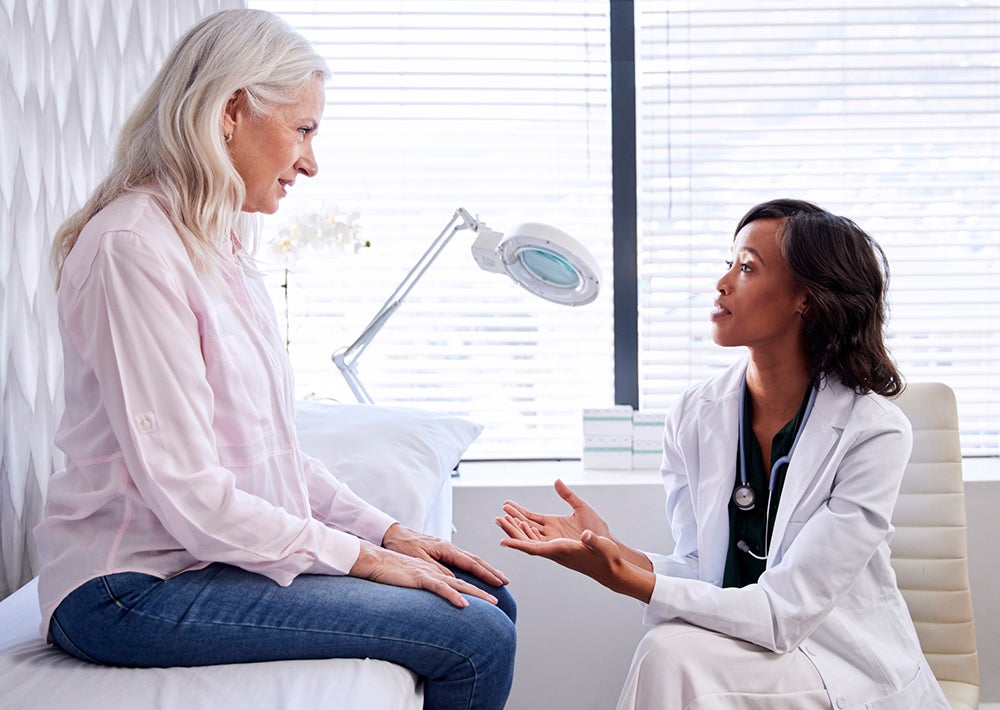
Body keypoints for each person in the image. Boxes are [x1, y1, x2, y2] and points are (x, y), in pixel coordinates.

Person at [35, 10, 515, 710]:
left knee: (490, 600)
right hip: (125, 590)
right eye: (304, 129)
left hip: (201, 565)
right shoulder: (134, 248)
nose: (311, 162)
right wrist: (364, 560)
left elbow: (272, 457)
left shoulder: (219, 248)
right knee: (476, 636)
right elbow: (193, 493)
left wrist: (388, 532)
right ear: (231, 110)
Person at [497, 198, 949, 709]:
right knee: (669, 652)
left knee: (669, 654)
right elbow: (703, 570)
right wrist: (615, 552)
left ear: (806, 298)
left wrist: (632, 582)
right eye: (728, 263)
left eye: (748, 267)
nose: (722, 283)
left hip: (838, 662)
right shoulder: (694, 414)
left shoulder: (872, 433)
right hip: (744, 650)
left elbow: (783, 614)